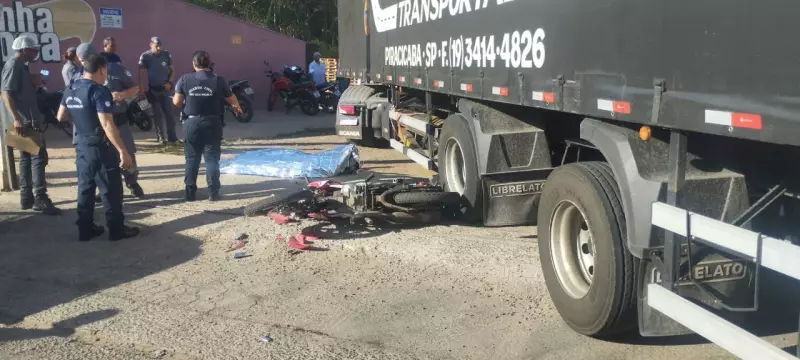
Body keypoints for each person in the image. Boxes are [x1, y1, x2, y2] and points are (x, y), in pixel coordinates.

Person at [56, 53, 140, 241]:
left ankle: (85, 229)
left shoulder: (70, 88)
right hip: (100, 147)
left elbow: (60, 116)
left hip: (81, 146)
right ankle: (116, 229)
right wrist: (122, 151)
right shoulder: (99, 91)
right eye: (105, 71)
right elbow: (108, 125)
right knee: (111, 189)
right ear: (101, 69)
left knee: (85, 188)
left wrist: (81, 118)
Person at [0, 34, 61, 215]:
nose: (36, 53)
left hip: (26, 120)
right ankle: (40, 198)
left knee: (27, 159)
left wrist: (34, 84)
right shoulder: (13, 65)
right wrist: (16, 118)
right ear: (25, 50)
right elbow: (5, 93)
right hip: (24, 122)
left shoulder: (22, 66)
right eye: (34, 50)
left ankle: (26, 198)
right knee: (38, 159)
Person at [172, 51, 240, 202]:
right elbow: (231, 98)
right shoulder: (219, 80)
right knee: (211, 160)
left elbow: (176, 102)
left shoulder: (184, 79)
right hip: (212, 123)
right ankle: (213, 193)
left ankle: (190, 194)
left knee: (191, 159)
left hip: (191, 123)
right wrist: (237, 106)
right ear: (209, 64)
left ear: (194, 64)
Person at [139, 36, 177, 145]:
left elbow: (172, 70)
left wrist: (169, 82)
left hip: (165, 90)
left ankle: (172, 137)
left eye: (160, 45)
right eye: (156, 46)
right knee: (157, 115)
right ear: (151, 45)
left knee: (169, 114)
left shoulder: (166, 54)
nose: (159, 48)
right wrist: (142, 89)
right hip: (153, 90)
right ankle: (161, 138)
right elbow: (141, 74)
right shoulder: (145, 56)